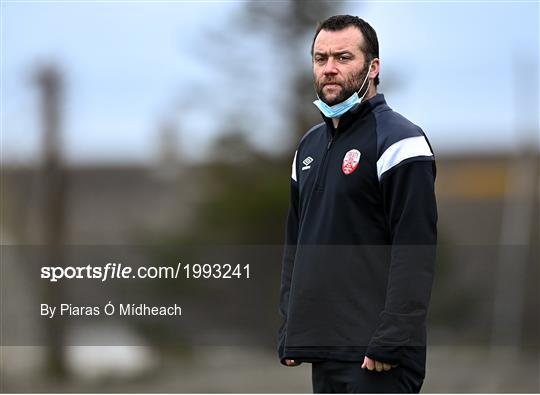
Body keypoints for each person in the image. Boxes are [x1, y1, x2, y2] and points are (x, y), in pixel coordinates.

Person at [277, 15, 438, 393]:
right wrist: (291, 327)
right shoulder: (309, 147)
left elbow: (415, 250)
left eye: (343, 57)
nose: (330, 69)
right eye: (321, 59)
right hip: (325, 348)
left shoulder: (400, 142)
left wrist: (392, 338)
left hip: (378, 356)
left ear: (373, 67)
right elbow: (294, 245)